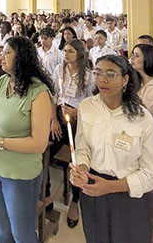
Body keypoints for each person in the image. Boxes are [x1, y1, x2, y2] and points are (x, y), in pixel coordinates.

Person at [0, 36, 53, 243]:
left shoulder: (38, 93)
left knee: (21, 233)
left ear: (21, 57)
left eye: (7, 52)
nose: (1, 56)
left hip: (19, 173)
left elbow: (39, 144)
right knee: (1, 227)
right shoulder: (5, 81)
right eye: (1, 52)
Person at [71, 54, 153, 243]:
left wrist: (111, 187)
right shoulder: (87, 107)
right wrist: (82, 168)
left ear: (125, 79)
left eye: (111, 74)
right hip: (93, 189)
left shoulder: (142, 118)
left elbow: (152, 176)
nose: (103, 79)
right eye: (98, 73)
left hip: (127, 195)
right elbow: (83, 149)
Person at [51, 38, 96, 227]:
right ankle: (45, 194)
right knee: (44, 150)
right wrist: (53, 120)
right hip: (59, 116)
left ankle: (75, 202)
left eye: (70, 51)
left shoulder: (87, 75)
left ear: (79, 54)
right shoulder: (59, 70)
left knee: (78, 161)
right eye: (65, 50)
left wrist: (77, 113)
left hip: (79, 118)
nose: (65, 54)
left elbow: (92, 103)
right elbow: (54, 96)